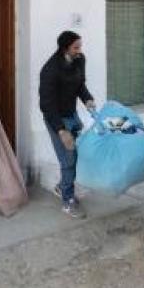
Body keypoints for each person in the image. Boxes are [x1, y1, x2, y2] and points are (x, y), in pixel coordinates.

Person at [39, 30, 96, 218]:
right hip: (56, 118)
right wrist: (61, 131)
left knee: (76, 155)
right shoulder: (50, 70)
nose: (80, 51)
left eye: (80, 46)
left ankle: (62, 187)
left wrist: (87, 99)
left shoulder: (80, 60)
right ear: (65, 48)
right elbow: (46, 104)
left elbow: (80, 85)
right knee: (69, 158)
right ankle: (68, 201)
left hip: (71, 114)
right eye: (75, 47)